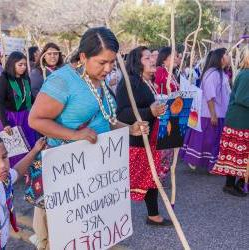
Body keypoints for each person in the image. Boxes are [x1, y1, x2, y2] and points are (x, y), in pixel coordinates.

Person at [27, 27, 149, 249]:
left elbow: (105, 118)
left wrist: (129, 129)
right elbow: (35, 120)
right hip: (66, 176)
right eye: (102, 62)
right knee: (63, 239)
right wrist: (75, 134)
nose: (109, 68)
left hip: (94, 175)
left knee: (94, 236)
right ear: (83, 57)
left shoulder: (98, 80)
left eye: (112, 62)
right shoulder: (62, 81)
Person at [116, 46, 172, 227]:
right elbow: (122, 114)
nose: (152, 59)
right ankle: (113, 219)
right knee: (128, 181)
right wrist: (150, 111)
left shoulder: (148, 81)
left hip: (151, 139)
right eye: (147, 58)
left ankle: (153, 215)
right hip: (136, 141)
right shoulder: (129, 82)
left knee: (152, 177)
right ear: (136, 62)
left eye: (152, 56)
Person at [180, 48, 231, 171]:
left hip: (218, 112)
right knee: (204, 140)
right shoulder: (213, 74)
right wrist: (213, 114)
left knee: (211, 140)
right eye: (227, 54)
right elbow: (210, 96)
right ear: (221, 58)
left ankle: (210, 163)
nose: (229, 57)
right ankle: (194, 160)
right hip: (209, 114)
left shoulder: (220, 73)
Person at [211, 46, 249, 197]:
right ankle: (229, 185)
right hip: (238, 121)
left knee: (243, 154)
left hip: (242, 120)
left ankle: (241, 182)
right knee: (235, 154)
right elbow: (241, 97)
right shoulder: (246, 75)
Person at [0, 137, 46, 250]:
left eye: (4, 157)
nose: (2, 165)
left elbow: (18, 171)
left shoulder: (4, 181)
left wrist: (35, 150)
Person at [0, 51, 36, 166]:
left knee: (29, 144)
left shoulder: (26, 79)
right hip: (10, 118)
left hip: (25, 116)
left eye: (25, 64)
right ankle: (15, 173)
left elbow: (30, 97)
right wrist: (5, 123)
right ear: (12, 64)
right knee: (15, 149)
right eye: (20, 65)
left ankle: (31, 170)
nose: (23, 67)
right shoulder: (4, 79)